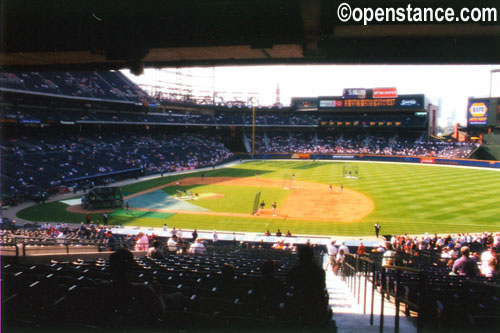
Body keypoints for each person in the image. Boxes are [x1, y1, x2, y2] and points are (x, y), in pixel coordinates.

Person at [286, 246, 328, 322]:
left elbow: (288, 285)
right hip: (314, 304)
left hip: (298, 303)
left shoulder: (295, 270)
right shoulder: (319, 271)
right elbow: (322, 287)